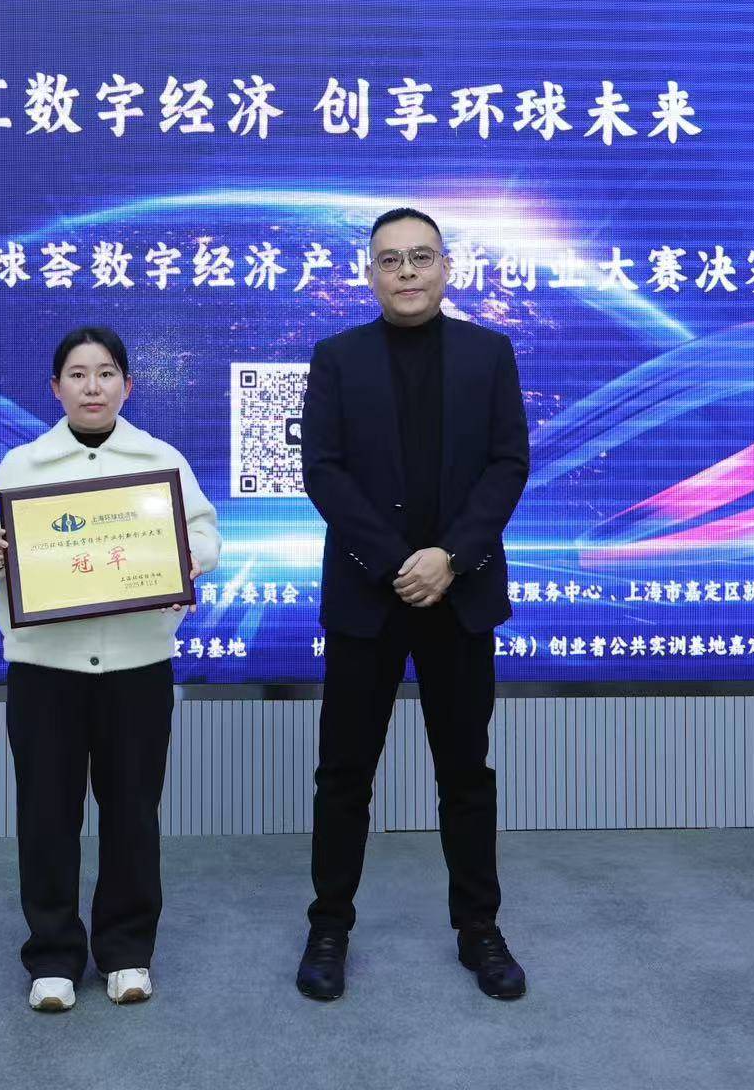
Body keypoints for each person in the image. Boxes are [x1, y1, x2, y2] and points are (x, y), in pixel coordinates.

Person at [295, 207, 532, 1002]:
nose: (405, 272)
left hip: (460, 597)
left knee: (465, 774)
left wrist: (450, 558)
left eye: (420, 257)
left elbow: (507, 464)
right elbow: (322, 470)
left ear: (445, 269)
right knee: (343, 775)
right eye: (390, 260)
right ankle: (329, 927)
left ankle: (479, 929)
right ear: (369, 274)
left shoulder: (489, 353)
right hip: (368, 597)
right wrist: (399, 562)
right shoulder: (337, 357)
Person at [0, 325, 221, 1013]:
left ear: (127, 386)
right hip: (45, 670)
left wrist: (189, 557)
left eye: (106, 373)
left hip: (138, 665)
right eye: (77, 375)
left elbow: (203, 531)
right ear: (55, 387)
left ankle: (126, 952)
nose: (92, 387)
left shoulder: (159, 458)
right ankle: (52, 956)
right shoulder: (23, 464)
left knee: (132, 811)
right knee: (46, 813)